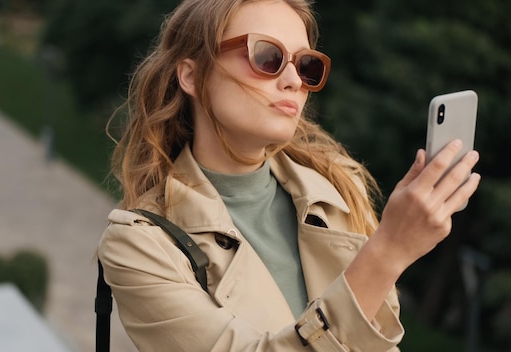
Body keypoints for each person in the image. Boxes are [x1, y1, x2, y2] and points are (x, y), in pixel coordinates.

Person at [98, 0, 481, 350]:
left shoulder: (338, 190)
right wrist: (389, 251)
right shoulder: (141, 245)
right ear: (191, 76)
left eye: (306, 65)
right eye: (267, 57)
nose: (294, 81)